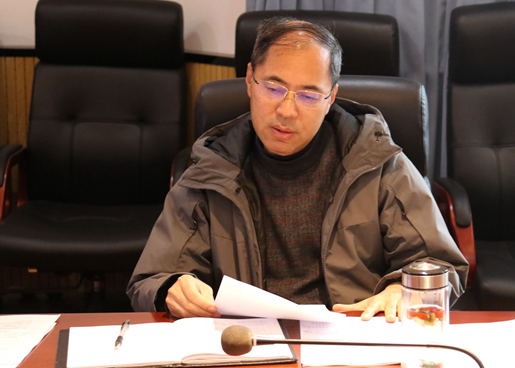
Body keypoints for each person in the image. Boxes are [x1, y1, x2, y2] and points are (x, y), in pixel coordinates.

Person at [127, 17, 468, 322]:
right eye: (273, 88)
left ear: (331, 97)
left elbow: (441, 265)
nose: (287, 110)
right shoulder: (212, 168)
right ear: (249, 80)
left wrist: (401, 291)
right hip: (248, 343)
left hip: (351, 338)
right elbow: (151, 279)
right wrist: (173, 287)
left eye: (308, 96)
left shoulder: (376, 159)